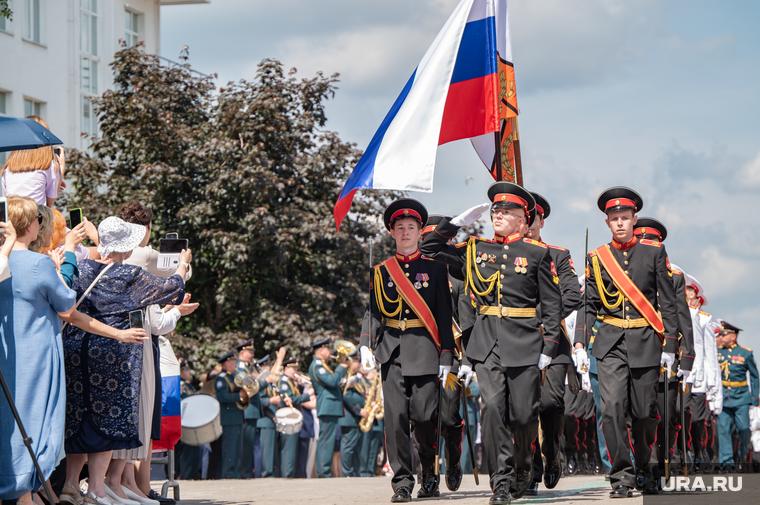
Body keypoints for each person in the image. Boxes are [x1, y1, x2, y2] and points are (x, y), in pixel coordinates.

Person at [421, 183, 562, 504]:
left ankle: (524, 466)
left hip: (525, 342)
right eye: (495, 211)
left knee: (524, 416)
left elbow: (552, 304)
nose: (498, 215)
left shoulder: (538, 254)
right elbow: (428, 250)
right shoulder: (475, 249)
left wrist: (550, 346)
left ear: (523, 220)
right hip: (486, 344)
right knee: (493, 411)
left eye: (507, 212)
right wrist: (453, 225)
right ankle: (501, 481)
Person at [61, 216, 186, 505]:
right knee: (107, 422)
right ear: (127, 247)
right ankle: (97, 489)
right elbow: (173, 289)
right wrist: (182, 264)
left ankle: (69, 484)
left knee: (77, 419)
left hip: (75, 348)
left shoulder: (80, 268)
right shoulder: (130, 275)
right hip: (113, 352)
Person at [573, 187, 681, 497]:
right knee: (611, 410)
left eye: (624, 218)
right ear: (607, 222)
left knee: (644, 413)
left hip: (646, 341)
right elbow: (589, 303)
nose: (619, 223)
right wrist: (580, 342)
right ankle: (621, 475)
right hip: (609, 343)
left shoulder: (654, 253)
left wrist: (671, 345)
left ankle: (646, 465)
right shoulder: (597, 258)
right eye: (614, 219)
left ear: (634, 219)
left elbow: (667, 302)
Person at [361, 198, 455, 502]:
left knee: (426, 417)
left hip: (426, 350)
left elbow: (443, 315)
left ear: (419, 233)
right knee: (395, 419)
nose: (405, 232)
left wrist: (447, 355)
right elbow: (372, 312)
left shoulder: (435, 269)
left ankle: (429, 471)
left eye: (410, 227)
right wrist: (365, 343)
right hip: (391, 352)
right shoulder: (380, 271)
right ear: (392, 232)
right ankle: (402, 482)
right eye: (399, 227)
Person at [0, 196, 77, 505]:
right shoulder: (39, 263)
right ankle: (25, 493)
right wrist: (61, 267)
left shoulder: (3, 261)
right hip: (37, 354)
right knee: (35, 420)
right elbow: (66, 302)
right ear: (29, 226)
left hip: (7, 351)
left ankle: (17, 487)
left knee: (8, 419)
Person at [120, 201, 194, 504]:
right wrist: (185, 262)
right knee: (143, 417)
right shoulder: (144, 254)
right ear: (145, 228)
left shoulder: (114, 256)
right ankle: (137, 486)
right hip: (140, 340)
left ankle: (128, 483)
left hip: (120, 333)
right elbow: (177, 279)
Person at [524, 193, 582, 495]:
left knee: (550, 404)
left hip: (553, 338)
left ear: (540, 220)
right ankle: (531, 469)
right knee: (523, 408)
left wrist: (545, 313)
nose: (528, 222)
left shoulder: (557, 254)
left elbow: (573, 295)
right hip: (517, 340)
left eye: (533, 217)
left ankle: (553, 451)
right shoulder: (502, 253)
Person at [632, 218, 695, 481]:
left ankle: (663, 457)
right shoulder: (626, 272)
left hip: (665, 358)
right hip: (635, 353)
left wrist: (688, 360)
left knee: (666, 417)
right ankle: (646, 465)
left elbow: (682, 317)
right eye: (642, 240)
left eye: (652, 241)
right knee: (638, 414)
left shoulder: (674, 276)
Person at [420, 214, 466, 492]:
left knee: (448, 418)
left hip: (452, 357)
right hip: (422, 355)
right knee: (424, 419)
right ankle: (427, 475)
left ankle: (454, 461)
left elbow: (466, 320)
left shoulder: (457, 281)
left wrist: (468, 359)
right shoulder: (412, 277)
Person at [684, 273, 721, 471]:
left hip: (698, 376)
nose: (686, 293)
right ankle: (686, 451)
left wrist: (713, 384)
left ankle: (700, 451)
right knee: (680, 415)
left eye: (690, 291)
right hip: (681, 374)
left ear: (697, 298)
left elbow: (709, 353)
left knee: (698, 419)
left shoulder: (704, 320)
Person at [715, 321, 759, 472]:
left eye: (724, 334)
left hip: (741, 397)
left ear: (733, 337)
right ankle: (727, 462)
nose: (721, 336)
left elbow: (754, 377)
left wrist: (754, 398)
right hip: (723, 398)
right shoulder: (717, 352)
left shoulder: (746, 353)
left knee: (744, 428)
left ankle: (743, 453)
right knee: (723, 429)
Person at [1, 116, 65, 206]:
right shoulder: (48, 166)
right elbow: (50, 202)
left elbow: (7, 198)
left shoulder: (8, 169)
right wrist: (60, 170)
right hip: (35, 218)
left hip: (12, 217)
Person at [309, 338, 348, 478]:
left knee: (328, 440)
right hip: (327, 406)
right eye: (328, 349)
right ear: (321, 351)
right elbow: (331, 381)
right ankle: (323, 471)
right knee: (326, 440)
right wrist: (342, 367)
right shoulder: (317, 366)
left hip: (330, 406)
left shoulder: (322, 365)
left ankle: (324, 470)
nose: (330, 352)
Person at [278, 358, 313, 478]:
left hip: (293, 417)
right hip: (287, 417)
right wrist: (307, 396)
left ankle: (291, 474)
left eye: (297, 369)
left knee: (293, 448)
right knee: (289, 448)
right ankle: (287, 474)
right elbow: (290, 400)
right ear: (286, 368)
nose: (296, 371)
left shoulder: (291, 382)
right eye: (293, 369)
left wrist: (302, 387)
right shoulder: (283, 382)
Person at [215, 350, 248, 479]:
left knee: (237, 449)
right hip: (229, 417)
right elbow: (221, 396)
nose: (235, 364)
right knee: (229, 449)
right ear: (226, 363)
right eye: (233, 362)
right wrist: (238, 395)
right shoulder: (221, 378)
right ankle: (228, 473)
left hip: (237, 416)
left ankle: (236, 473)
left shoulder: (233, 377)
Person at [338, 353, 368, 477]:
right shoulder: (347, 375)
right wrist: (358, 410)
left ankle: (354, 471)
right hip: (348, 416)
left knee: (355, 446)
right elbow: (346, 395)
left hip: (354, 418)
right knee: (348, 446)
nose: (359, 364)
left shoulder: (354, 377)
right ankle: (346, 472)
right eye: (357, 361)